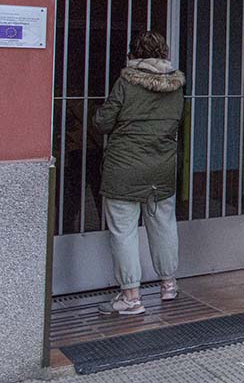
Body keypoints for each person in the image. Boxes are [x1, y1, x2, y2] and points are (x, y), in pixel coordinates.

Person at [93, 31, 185, 315]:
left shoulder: (126, 84)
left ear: (133, 55)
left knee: (124, 231)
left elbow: (104, 123)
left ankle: (131, 296)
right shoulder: (176, 86)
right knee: (164, 225)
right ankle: (168, 285)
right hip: (162, 167)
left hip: (124, 168)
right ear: (164, 53)